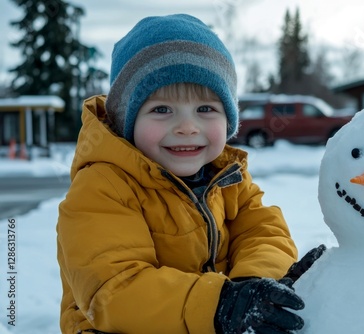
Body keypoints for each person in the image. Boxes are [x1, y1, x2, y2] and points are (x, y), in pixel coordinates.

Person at [57, 14, 325, 334]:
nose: (187, 127)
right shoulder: (102, 186)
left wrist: (253, 285)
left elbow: (263, 232)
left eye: (205, 109)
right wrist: (220, 304)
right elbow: (113, 289)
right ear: (125, 121)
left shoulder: (227, 178)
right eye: (161, 110)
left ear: (228, 120)